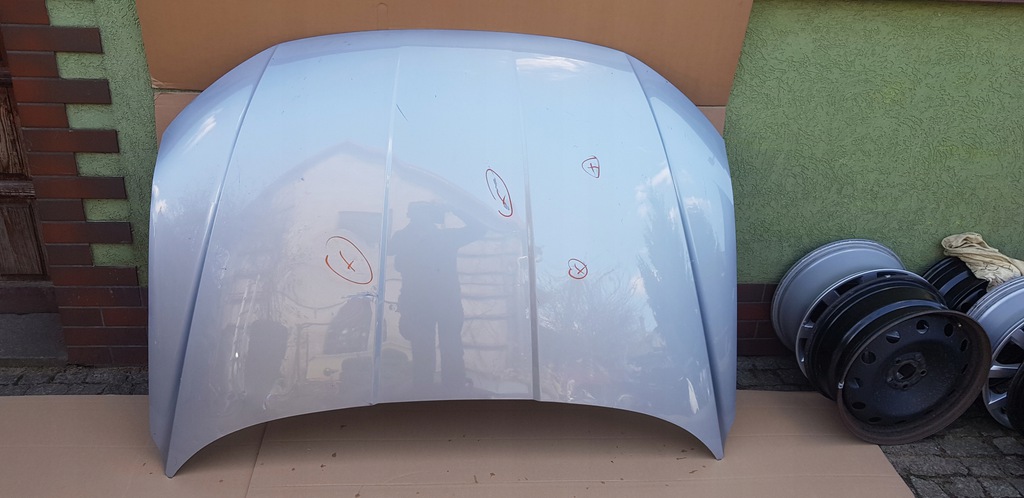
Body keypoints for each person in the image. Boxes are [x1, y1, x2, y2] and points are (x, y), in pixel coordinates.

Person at [389, 201, 484, 392]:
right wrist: (455, 208)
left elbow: (479, 229)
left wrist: (455, 208)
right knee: (431, 350)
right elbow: (478, 229)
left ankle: (446, 391)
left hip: (436, 303)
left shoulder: (439, 237)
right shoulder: (433, 237)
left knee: (445, 349)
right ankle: (431, 391)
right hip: (426, 303)